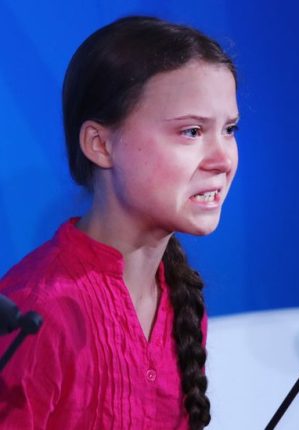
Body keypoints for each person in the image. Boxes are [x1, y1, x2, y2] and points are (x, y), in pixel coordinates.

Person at [0, 16, 239, 430]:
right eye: (191, 131)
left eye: (230, 129)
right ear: (100, 144)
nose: (223, 159)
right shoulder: (37, 311)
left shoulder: (181, 302)